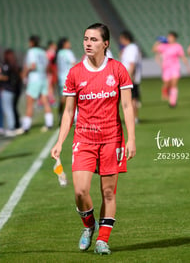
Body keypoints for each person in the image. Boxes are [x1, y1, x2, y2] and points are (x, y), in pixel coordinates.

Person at [51, 23, 136, 255]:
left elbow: (127, 106)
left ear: (105, 44)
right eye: (86, 39)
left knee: (108, 193)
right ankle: (89, 226)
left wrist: (131, 139)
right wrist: (59, 142)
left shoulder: (118, 70)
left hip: (112, 139)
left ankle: (103, 240)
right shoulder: (75, 72)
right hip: (84, 139)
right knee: (80, 191)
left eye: (94, 40)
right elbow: (69, 112)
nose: (88, 43)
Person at [18, 35, 53, 134]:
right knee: (45, 101)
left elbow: (32, 66)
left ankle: (26, 127)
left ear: (32, 42)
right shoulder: (42, 52)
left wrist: (24, 74)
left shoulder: (31, 51)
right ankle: (49, 123)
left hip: (34, 79)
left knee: (30, 103)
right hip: (42, 77)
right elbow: (47, 66)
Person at [153, 31, 190, 108]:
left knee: (174, 84)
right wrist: (158, 42)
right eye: (168, 37)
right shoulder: (164, 46)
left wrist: (188, 67)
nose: (169, 38)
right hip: (166, 68)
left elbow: (182, 57)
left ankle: (172, 102)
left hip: (175, 67)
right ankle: (165, 92)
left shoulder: (178, 46)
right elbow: (154, 50)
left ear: (174, 38)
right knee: (167, 83)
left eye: (170, 37)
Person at [0, 49, 22, 136]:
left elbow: (6, 77)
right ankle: (13, 126)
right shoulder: (15, 65)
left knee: (7, 109)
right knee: (10, 108)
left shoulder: (6, 66)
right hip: (13, 90)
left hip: (7, 89)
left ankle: (11, 127)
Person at [119, 30, 142, 123]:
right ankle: (131, 118)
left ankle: (133, 118)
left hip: (129, 77)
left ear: (125, 38)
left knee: (132, 98)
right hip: (128, 77)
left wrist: (129, 77)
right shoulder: (129, 48)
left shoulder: (132, 48)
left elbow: (132, 64)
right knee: (129, 98)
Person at [55, 37, 76, 121]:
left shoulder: (59, 53)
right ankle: (74, 118)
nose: (69, 44)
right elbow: (73, 63)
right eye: (68, 42)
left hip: (61, 77)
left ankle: (60, 114)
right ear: (64, 44)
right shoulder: (68, 52)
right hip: (69, 77)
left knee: (63, 98)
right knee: (72, 97)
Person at [46, 40, 58, 106]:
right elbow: (48, 63)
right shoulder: (49, 53)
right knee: (49, 86)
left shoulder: (53, 52)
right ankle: (51, 100)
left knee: (52, 86)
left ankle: (51, 99)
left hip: (53, 70)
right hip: (50, 71)